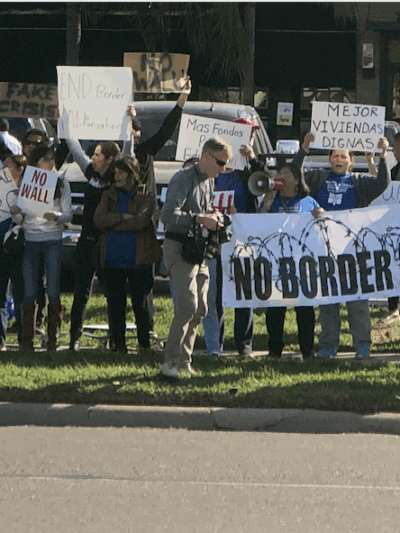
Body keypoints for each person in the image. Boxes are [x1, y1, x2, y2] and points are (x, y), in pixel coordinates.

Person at [293, 132, 390, 359]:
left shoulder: (360, 181)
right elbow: (295, 178)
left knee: (357, 301)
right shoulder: (318, 178)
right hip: (325, 250)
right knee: (328, 302)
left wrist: (383, 156)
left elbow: (382, 184)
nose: (338, 159)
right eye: (335, 156)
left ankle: (362, 347)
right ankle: (327, 347)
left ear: (351, 160)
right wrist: (304, 148)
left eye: (343, 156)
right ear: (329, 159)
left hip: (353, 250)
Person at [160, 137, 232, 379]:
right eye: (221, 163)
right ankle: (169, 364)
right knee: (187, 306)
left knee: (201, 308)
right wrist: (200, 218)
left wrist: (215, 216)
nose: (223, 170)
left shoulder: (209, 180)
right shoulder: (183, 179)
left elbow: (203, 209)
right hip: (179, 247)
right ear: (207, 157)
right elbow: (168, 214)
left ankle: (184, 362)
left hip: (199, 249)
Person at [126, 76, 192, 338]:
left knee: (144, 277)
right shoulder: (113, 158)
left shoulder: (146, 152)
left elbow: (167, 129)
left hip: (144, 224)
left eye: (136, 129)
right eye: (130, 128)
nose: (134, 133)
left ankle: (147, 328)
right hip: (119, 224)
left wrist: (182, 98)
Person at [202, 117, 263, 358]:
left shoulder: (249, 170)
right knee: (215, 293)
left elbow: (263, 183)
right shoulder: (213, 172)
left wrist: (253, 159)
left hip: (241, 239)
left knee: (243, 292)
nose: (248, 139)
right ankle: (216, 343)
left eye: (252, 135)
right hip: (213, 239)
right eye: (245, 133)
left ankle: (244, 345)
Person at [93, 156, 161, 353]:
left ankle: (143, 344)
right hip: (113, 257)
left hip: (137, 258)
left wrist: (113, 223)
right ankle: (118, 344)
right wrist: (122, 217)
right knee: (115, 304)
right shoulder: (109, 194)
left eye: (121, 172)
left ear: (132, 175)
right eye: (115, 172)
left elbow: (140, 222)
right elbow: (98, 219)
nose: (117, 176)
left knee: (140, 303)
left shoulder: (146, 196)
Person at [11, 144, 72, 351]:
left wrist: (56, 216)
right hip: (31, 239)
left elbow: (68, 214)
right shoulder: (27, 183)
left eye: (52, 159)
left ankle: (53, 339)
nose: (51, 163)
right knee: (30, 289)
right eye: (46, 159)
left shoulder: (61, 183)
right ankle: (27, 340)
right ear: (36, 162)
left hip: (52, 239)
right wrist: (16, 212)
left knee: (53, 288)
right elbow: (20, 218)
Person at [259, 163, 322, 359]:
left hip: (301, 263)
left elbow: (323, 224)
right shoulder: (271, 200)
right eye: (279, 174)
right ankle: (274, 350)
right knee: (275, 309)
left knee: (304, 310)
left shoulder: (308, 202)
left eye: (286, 174)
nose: (281, 177)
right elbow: (257, 225)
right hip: (277, 263)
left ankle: (307, 350)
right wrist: (267, 203)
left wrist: (320, 215)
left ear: (296, 180)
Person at [66, 138, 121, 351]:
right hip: (86, 242)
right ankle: (74, 339)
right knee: (81, 291)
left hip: (107, 243)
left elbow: (130, 156)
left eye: (98, 155)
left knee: (112, 292)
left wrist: (128, 128)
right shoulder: (91, 174)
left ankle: (116, 338)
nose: (93, 158)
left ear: (110, 159)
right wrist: (65, 124)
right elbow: (76, 150)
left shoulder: (116, 180)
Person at [0, 154, 27, 349]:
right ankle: (0, 338)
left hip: (18, 249)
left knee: (20, 291)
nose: (4, 169)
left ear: (20, 170)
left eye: (8, 166)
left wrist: (18, 214)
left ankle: (24, 337)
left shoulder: (27, 192)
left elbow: (31, 219)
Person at [381, 132, 400, 321]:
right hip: (395, 228)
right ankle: (393, 308)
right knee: (393, 265)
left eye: (396, 146)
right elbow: (383, 188)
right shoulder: (395, 170)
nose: (394, 151)